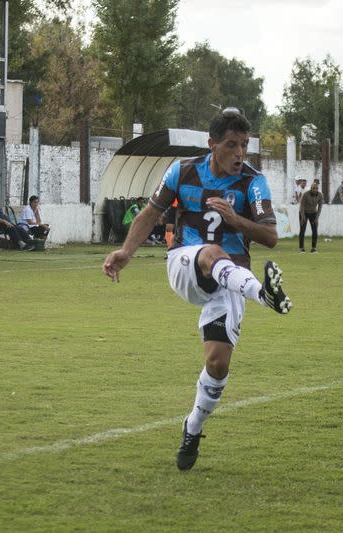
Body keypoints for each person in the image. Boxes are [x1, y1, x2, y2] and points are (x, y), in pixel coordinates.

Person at [102, 107, 292, 471]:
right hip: (186, 265)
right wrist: (126, 252)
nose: (240, 154)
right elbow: (149, 214)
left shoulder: (254, 183)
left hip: (231, 281)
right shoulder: (182, 170)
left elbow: (270, 236)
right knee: (211, 253)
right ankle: (264, 295)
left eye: (245, 146)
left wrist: (236, 219)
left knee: (217, 363)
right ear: (212, 144)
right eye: (232, 145)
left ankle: (192, 428)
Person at [299, 181, 323, 253]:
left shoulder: (320, 195)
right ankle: (301, 248)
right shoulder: (305, 194)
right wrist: (303, 217)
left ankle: (313, 248)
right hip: (304, 212)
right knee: (302, 230)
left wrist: (317, 218)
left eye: (316, 188)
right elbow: (301, 206)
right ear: (311, 188)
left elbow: (320, 207)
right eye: (313, 188)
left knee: (315, 230)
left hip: (313, 213)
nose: (314, 190)